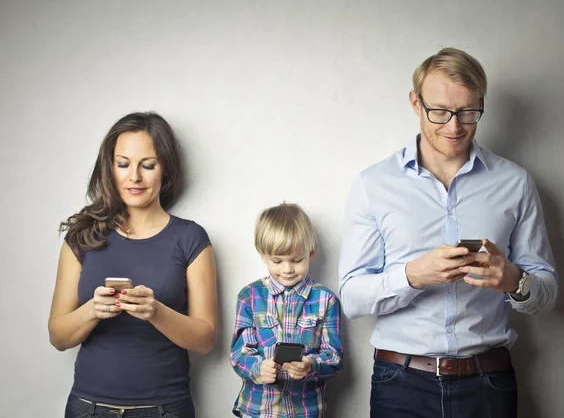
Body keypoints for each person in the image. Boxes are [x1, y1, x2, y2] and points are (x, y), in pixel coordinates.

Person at [338, 48, 558, 418]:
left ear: (481, 104)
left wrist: (514, 280)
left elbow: (548, 292)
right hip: (400, 384)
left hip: (488, 383)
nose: (454, 127)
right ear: (415, 103)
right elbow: (352, 297)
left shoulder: (515, 183)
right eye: (439, 111)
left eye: (468, 113)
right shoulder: (373, 184)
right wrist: (413, 276)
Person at [48, 112, 218, 418]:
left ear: (165, 170)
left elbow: (205, 340)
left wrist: (156, 312)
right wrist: (93, 310)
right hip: (89, 407)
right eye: (123, 164)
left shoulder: (191, 237)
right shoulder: (82, 236)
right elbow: (58, 336)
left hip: (165, 409)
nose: (134, 177)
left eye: (148, 165)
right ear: (110, 168)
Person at [230, 203, 343, 418]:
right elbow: (238, 354)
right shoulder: (249, 296)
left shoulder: (326, 300)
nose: (287, 269)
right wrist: (258, 368)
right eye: (277, 260)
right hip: (258, 411)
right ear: (262, 254)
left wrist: (311, 365)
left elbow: (334, 357)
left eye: (296, 260)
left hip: (306, 411)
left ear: (311, 253)